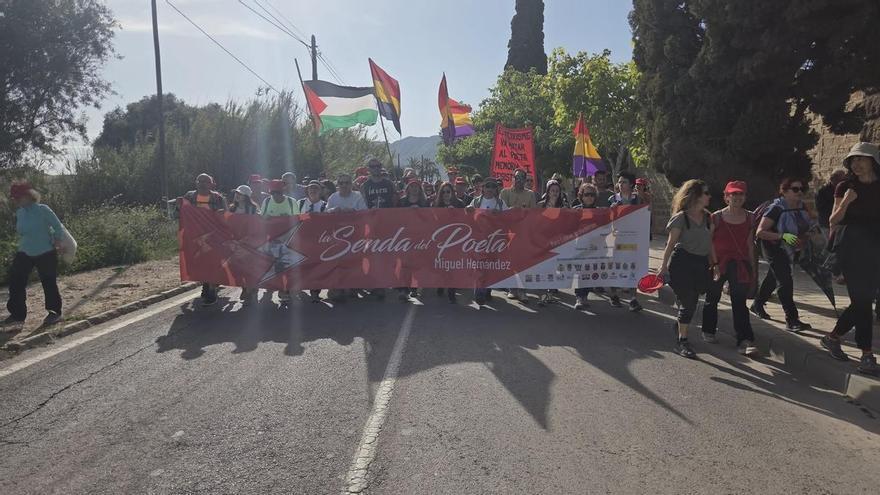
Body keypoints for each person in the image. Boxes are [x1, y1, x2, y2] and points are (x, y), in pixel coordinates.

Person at [821, 142, 880, 375]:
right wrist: (846, 201)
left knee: (862, 301)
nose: (856, 163)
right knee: (863, 302)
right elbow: (833, 220)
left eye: (861, 159)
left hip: (875, 249)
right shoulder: (845, 186)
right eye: (853, 159)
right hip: (851, 249)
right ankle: (866, 354)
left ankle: (833, 337)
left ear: (873, 161)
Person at [659, 179, 716, 359]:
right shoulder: (681, 218)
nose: (709, 196)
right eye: (706, 193)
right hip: (682, 264)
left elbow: (710, 243)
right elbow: (670, 245)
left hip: (701, 264)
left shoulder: (709, 218)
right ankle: (682, 341)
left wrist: (715, 264)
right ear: (696, 196)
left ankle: (679, 325)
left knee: (692, 301)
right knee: (688, 302)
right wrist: (663, 267)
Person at [701, 181, 758, 356]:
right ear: (726, 197)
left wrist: (753, 269)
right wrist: (713, 264)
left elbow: (750, 244)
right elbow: (709, 241)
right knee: (712, 297)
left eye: (740, 194)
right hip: (718, 262)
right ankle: (708, 330)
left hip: (740, 264)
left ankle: (745, 340)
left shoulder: (750, 217)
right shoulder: (716, 217)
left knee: (739, 302)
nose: (737, 197)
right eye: (733, 194)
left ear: (745, 197)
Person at [751, 177, 814, 331]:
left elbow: (808, 225)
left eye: (802, 189)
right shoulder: (776, 208)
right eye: (795, 189)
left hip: (792, 247)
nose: (799, 192)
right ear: (784, 191)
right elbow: (760, 232)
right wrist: (782, 236)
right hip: (773, 246)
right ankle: (792, 319)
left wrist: (806, 236)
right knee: (785, 280)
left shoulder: (802, 207)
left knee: (774, 277)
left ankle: (757, 304)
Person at [4, 182, 65, 326]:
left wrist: (56, 240)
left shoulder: (43, 209)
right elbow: (23, 232)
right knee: (16, 281)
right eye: (14, 198)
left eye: (18, 197)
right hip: (25, 251)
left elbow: (58, 227)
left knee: (48, 282)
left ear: (29, 195)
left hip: (46, 251)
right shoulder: (20, 213)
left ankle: (54, 313)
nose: (16, 200)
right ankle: (17, 315)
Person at [182, 173, 227, 306]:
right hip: (194, 237)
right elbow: (179, 214)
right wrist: (179, 207)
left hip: (213, 236)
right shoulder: (189, 197)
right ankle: (207, 284)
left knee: (212, 263)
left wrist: (222, 215)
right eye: (200, 181)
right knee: (199, 263)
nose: (202, 184)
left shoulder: (218, 198)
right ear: (196, 183)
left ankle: (211, 290)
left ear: (212, 184)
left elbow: (226, 216)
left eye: (205, 181)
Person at [468, 178, 508, 305]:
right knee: (479, 266)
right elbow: (468, 215)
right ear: (483, 188)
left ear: (496, 189)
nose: (490, 189)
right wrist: (468, 209)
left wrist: (500, 214)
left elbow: (509, 218)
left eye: (493, 186)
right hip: (479, 240)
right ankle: (479, 292)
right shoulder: (476, 201)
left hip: (494, 240)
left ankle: (487, 291)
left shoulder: (501, 203)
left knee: (490, 266)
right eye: (487, 186)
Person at [361, 157, 397, 300]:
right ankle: (377, 284)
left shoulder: (389, 183)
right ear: (368, 169)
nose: (376, 168)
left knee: (387, 254)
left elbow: (395, 202)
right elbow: (363, 204)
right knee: (373, 255)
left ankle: (388, 281)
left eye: (378, 165)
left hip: (387, 224)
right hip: (371, 225)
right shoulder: (365, 186)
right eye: (373, 166)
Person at [608, 172, 645, 312]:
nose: (620, 184)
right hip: (616, 239)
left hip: (633, 239)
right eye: (619, 182)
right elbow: (606, 219)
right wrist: (612, 210)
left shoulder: (638, 199)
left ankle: (633, 299)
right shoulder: (612, 199)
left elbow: (645, 215)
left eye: (624, 182)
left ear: (631, 184)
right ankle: (614, 295)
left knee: (632, 267)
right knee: (614, 267)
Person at [500, 169, 536, 303]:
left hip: (524, 233)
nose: (519, 180)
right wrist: (512, 210)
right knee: (511, 262)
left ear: (525, 180)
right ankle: (512, 289)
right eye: (517, 177)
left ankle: (522, 290)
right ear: (513, 178)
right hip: (508, 233)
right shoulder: (505, 192)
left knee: (523, 263)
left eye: (522, 178)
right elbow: (502, 212)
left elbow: (533, 214)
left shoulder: (530, 194)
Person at [261, 179, 300, 305]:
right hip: (272, 239)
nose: (275, 195)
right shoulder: (267, 202)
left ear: (283, 191)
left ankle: (287, 289)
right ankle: (278, 288)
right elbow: (261, 219)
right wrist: (266, 219)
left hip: (289, 238)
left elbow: (298, 219)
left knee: (288, 265)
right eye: (273, 193)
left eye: (278, 192)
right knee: (275, 266)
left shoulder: (291, 202)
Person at [396, 179, 430, 300]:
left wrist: (419, 212)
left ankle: (414, 287)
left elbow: (429, 218)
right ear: (408, 188)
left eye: (416, 186)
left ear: (420, 189)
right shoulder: (402, 201)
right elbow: (396, 217)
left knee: (416, 262)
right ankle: (403, 289)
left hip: (419, 236)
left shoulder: (425, 202)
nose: (414, 188)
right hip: (404, 236)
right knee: (404, 263)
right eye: (411, 186)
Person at [434, 182, 466, 303]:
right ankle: (441, 284)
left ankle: (451, 293)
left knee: (452, 266)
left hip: (455, 240)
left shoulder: (459, 204)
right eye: (443, 192)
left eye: (448, 191)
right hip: (441, 240)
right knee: (442, 265)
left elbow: (465, 221)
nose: (446, 194)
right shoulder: (437, 205)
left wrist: (455, 213)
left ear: (452, 192)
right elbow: (432, 221)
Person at [537, 179, 568, 306]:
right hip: (543, 240)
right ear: (548, 192)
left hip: (558, 240)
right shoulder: (540, 206)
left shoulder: (563, 207)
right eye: (552, 190)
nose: (555, 193)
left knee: (554, 266)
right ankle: (544, 295)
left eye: (557, 191)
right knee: (544, 267)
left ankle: (550, 291)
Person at [229, 184, 260, 304]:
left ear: (246, 196)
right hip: (235, 242)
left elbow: (258, 224)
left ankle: (249, 289)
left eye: (240, 194)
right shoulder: (232, 209)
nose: (237, 195)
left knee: (249, 267)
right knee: (238, 268)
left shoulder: (253, 209)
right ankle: (245, 288)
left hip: (250, 243)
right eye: (237, 193)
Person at [299, 181, 328, 303]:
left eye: (316, 188)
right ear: (307, 190)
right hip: (302, 239)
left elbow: (328, 221)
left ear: (320, 191)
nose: (313, 190)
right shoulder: (300, 203)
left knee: (316, 266)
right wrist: (307, 217)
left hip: (318, 239)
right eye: (311, 188)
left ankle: (315, 292)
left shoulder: (325, 205)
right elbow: (293, 218)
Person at [572, 184, 598, 310]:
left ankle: (585, 296)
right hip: (579, 247)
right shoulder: (575, 211)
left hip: (594, 248)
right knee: (579, 272)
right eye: (586, 194)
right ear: (581, 196)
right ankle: (579, 297)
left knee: (589, 272)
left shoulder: (600, 212)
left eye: (592, 195)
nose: (589, 197)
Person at [815, 168, 848, 237]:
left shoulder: (844, 189)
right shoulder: (822, 191)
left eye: (844, 179)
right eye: (840, 179)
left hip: (842, 223)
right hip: (827, 224)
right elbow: (820, 208)